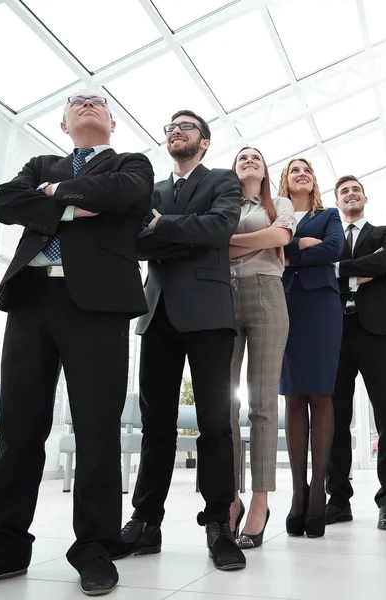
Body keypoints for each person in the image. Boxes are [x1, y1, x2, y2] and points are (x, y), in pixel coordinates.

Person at [0, 90, 153, 595]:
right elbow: (5, 202)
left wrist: (53, 197)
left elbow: (130, 198)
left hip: (98, 304)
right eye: (77, 102)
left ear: (113, 123)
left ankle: (94, 546)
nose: (87, 103)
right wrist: (76, 207)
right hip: (31, 297)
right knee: (19, 426)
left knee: (97, 427)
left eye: (98, 102)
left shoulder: (131, 163)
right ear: (63, 122)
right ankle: (2, 545)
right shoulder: (40, 162)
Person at [118, 110, 246, 571]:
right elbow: (131, 241)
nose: (175, 131)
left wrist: (162, 227)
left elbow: (220, 228)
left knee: (215, 425)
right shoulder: (148, 191)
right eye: (170, 126)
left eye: (186, 126)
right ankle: (145, 522)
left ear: (205, 142)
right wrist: (173, 231)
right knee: (156, 425)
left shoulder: (222, 181)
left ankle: (219, 524)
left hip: (209, 316)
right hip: (157, 316)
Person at [326, 175, 386, 531]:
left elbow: (385, 262)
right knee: (335, 420)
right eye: (344, 192)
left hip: (378, 331)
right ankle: (338, 500)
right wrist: (362, 269)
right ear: (337, 201)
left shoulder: (384, 233)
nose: (351, 194)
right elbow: (319, 270)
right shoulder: (331, 235)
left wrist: (341, 269)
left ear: (365, 198)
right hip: (336, 331)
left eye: (355, 190)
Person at [227, 147, 295, 549]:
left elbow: (280, 236)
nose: (249, 160)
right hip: (221, 297)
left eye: (256, 156)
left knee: (263, 405)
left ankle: (259, 501)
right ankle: (229, 497)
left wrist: (227, 241)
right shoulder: (220, 198)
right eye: (242, 157)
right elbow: (264, 239)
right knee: (224, 405)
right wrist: (257, 241)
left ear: (265, 168)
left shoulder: (279, 201)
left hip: (268, 294)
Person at [276, 158, 344, 539]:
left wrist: (289, 253)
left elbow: (334, 249)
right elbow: (268, 252)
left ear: (314, 180)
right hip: (283, 303)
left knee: (320, 394)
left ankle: (318, 491)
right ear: (284, 179)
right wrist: (299, 243)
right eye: (293, 169)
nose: (301, 173)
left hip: (320, 305)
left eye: (307, 169)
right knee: (292, 396)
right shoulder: (276, 213)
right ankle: (297, 493)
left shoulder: (328, 213)